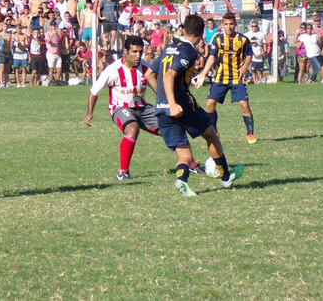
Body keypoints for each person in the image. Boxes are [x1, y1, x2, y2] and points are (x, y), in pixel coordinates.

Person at [147, 14, 244, 197]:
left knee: (183, 152)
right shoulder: (189, 51)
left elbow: (150, 75)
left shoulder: (169, 48)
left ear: (183, 29)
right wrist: (173, 103)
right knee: (210, 134)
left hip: (161, 109)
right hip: (182, 106)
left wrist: (163, 98)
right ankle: (225, 177)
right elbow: (168, 76)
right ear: (201, 34)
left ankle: (181, 181)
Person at [84, 35, 160, 180]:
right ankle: (123, 172)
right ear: (125, 51)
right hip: (120, 108)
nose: (138, 56)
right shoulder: (113, 70)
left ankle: (190, 165)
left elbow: (158, 89)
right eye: (134, 52)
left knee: (170, 128)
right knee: (132, 129)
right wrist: (89, 113)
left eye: (140, 52)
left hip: (142, 108)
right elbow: (94, 92)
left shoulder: (145, 68)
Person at [194, 12, 257, 144]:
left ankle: (250, 133)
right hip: (221, 77)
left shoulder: (243, 39)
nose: (229, 27)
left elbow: (249, 55)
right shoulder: (218, 40)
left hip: (237, 77)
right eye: (226, 24)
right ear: (222, 24)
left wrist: (245, 67)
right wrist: (203, 73)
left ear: (235, 24)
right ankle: (214, 131)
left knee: (244, 105)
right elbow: (212, 57)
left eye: (231, 24)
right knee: (210, 104)